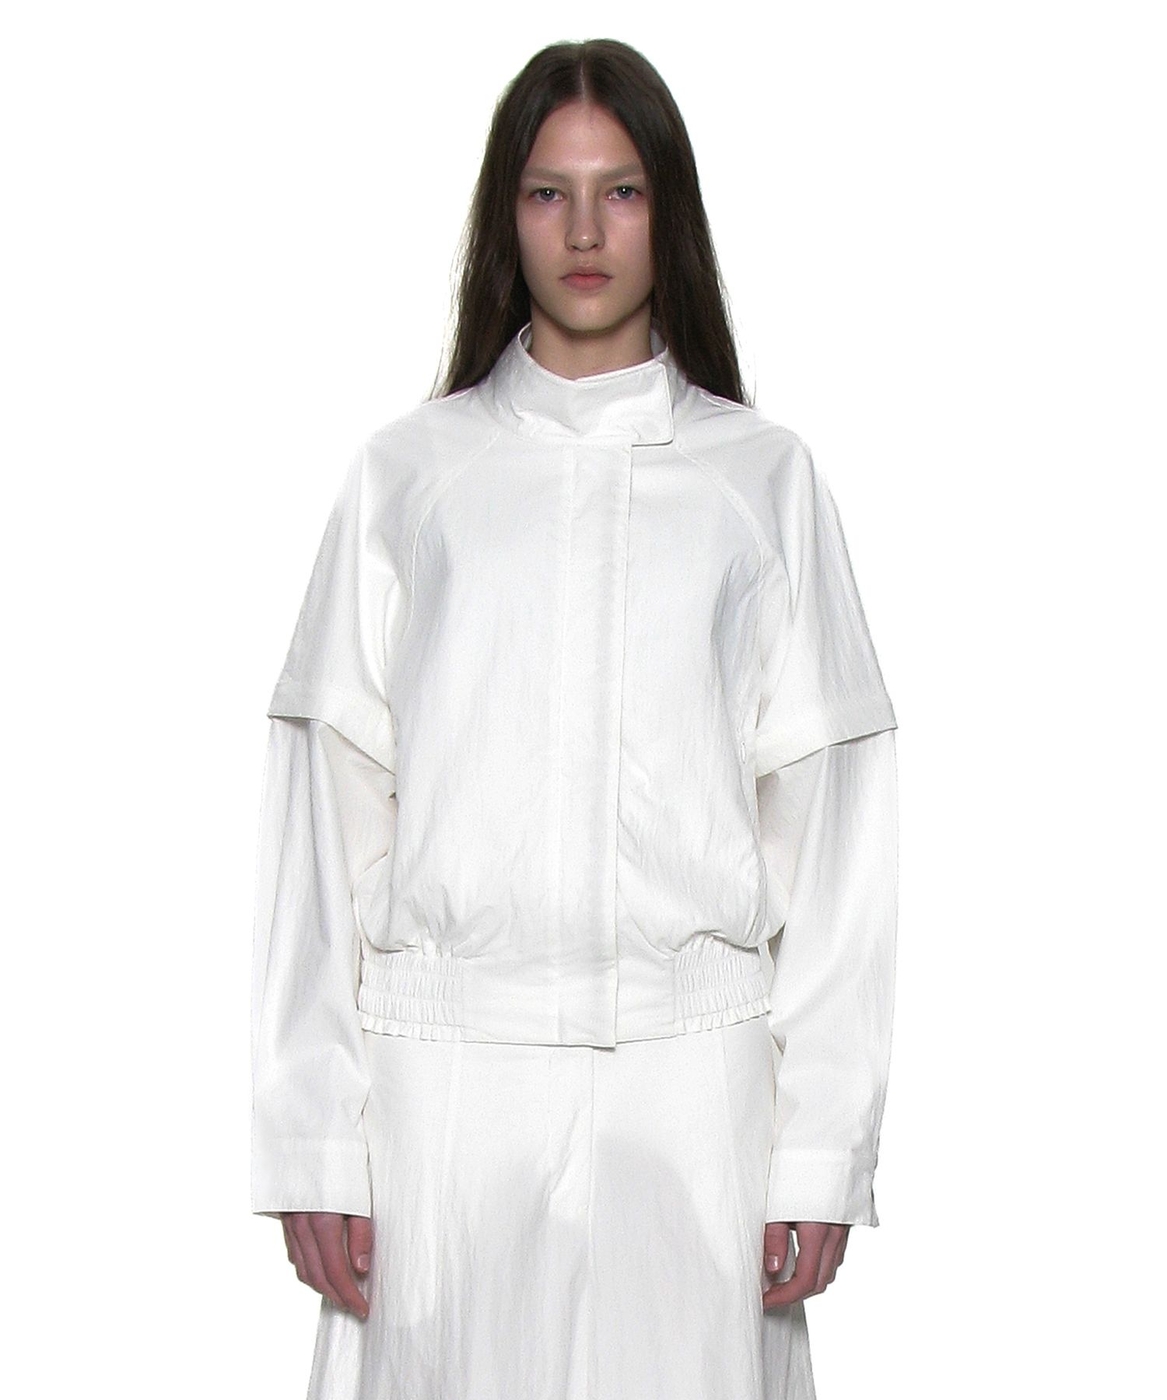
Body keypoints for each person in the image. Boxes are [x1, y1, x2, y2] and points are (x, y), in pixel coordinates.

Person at [250, 37, 898, 1400]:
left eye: (622, 191)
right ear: (508, 215)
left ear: (670, 212)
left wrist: (818, 1151)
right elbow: (326, 807)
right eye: (550, 193)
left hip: (691, 1099)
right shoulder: (408, 478)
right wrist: (314, 1135)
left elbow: (832, 830)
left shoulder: (762, 483)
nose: (587, 232)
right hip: (445, 1094)